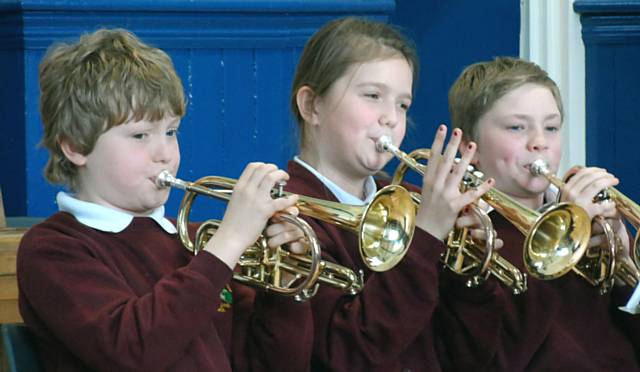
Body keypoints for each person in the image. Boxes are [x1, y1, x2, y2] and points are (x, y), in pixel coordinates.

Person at [17, 28, 313, 372]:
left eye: (170, 132)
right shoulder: (53, 250)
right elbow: (133, 351)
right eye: (140, 135)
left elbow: (271, 364)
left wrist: (286, 287)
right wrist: (228, 243)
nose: (164, 153)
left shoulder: (195, 243)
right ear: (77, 147)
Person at [285, 16, 517, 371]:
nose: (391, 118)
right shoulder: (285, 217)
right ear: (312, 106)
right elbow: (346, 353)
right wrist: (425, 239)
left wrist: (469, 273)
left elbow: (467, 355)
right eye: (373, 96)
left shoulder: (412, 201)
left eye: (403, 104)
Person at [449, 56, 640, 370]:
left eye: (551, 127)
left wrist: (625, 270)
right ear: (472, 149)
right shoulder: (466, 237)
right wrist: (562, 238)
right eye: (517, 127)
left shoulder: (593, 222)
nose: (539, 142)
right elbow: (496, 358)